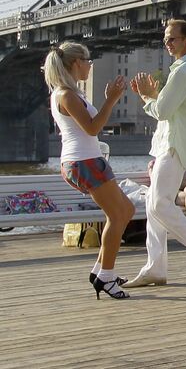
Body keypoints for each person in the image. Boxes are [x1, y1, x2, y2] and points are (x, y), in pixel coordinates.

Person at [125, 20, 186, 288]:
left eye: (172, 39)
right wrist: (155, 95)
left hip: (174, 145)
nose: (167, 44)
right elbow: (171, 109)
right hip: (168, 145)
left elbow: (163, 111)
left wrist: (147, 98)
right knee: (153, 206)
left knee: (158, 204)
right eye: (166, 40)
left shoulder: (184, 71)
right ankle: (155, 267)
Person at [44, 42, 135, 300]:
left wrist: (108, 101)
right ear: (76, 63)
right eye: (87, 60)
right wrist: (111, 100)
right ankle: (106, 275)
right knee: (118, 215)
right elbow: (92, 128)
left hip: (87, 160)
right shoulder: (66, 95)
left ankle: (100, 271)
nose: (90, 65)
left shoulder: (71, 93)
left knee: (125, 211)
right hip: (83, 161)